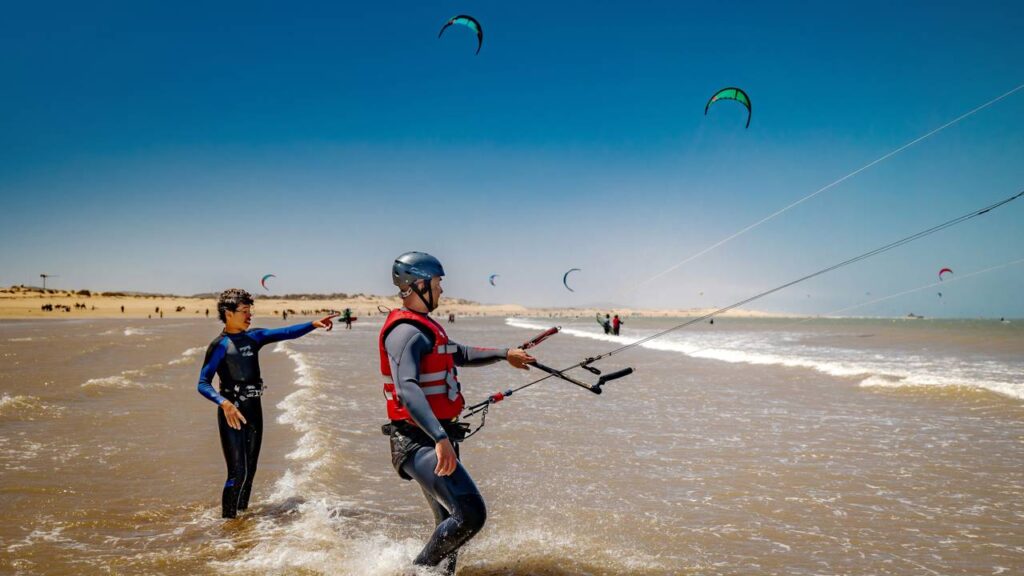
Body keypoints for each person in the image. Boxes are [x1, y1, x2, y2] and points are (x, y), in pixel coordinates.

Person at [380, 252, 533, 574]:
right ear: (419, 284)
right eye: (438, 283)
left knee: (450, 522)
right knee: (470, 514)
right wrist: (438, 437)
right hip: (417, 440)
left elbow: (459, 353)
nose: (441, 290)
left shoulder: (426, 328)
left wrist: (505, 354)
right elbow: (407, 387)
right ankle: (415, 573)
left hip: (437, 435)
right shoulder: (405, 332)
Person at [196, 288, 338, 518]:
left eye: (250, 310)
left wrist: (313, 324)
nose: (249, 315)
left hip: (254, 409)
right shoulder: (219, 345)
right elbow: (203, 383)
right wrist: (224, 403)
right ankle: (227, 525)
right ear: (228, 313)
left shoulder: (254, 337)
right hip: (233, 413)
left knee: (250, 472)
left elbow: (286, 332)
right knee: (237, 472)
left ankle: (240, 521)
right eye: (244, 311)